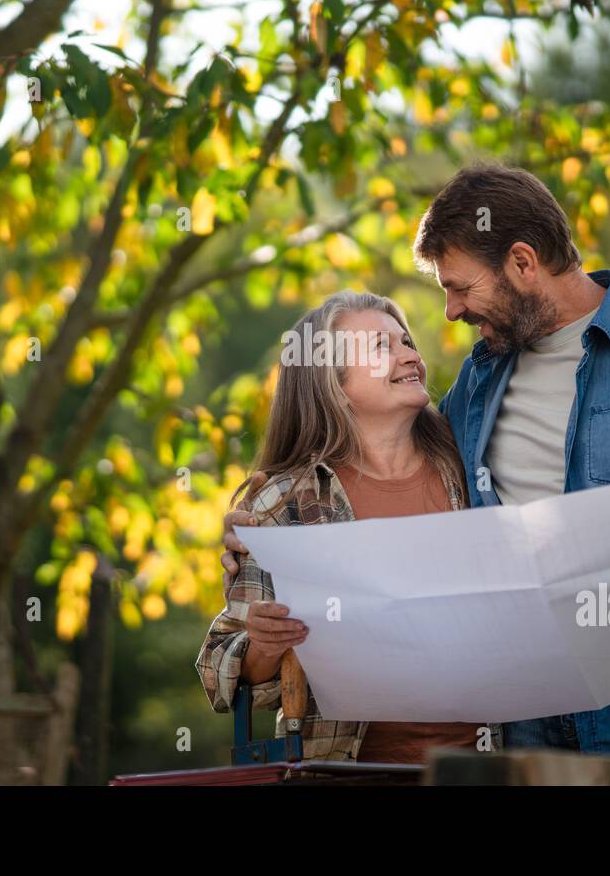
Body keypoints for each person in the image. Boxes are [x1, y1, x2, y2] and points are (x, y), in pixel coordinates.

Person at [222, 162, 610, 759]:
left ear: (523, 264)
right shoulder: (477, 382)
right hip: (520, 739)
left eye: (461, 288)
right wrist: (264, 529)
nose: (449, 312)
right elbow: (381, 468)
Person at [195, 290, 503, 762]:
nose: (410, 355)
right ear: (332, 384)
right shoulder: (284, 502)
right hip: (348, 767)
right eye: (381, 347)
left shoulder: (471, 466)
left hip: (484, 765)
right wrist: (262, 644)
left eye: (406, 341)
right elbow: (221, 672)